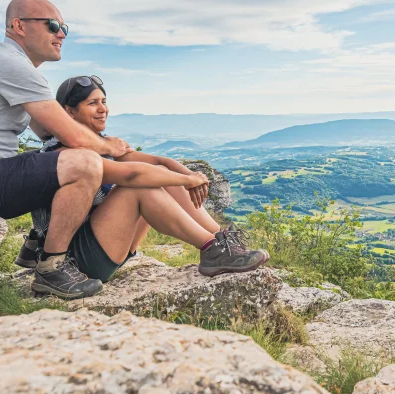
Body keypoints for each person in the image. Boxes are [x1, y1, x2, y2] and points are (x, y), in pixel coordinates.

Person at [23, 75, 268, 287]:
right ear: (69, 112)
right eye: (92, 103)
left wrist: (181, 171)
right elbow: (133, 175)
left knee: (164, 176)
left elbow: (153, 162)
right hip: (75, 260)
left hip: (105, 244)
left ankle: (222, 241)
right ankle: (210, 249)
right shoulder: (62, 154)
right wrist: (186, 178)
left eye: (104, 102)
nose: (102, 109)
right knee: (138, 189)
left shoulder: (101, 144)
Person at [0, 0, 132, 299]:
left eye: (64, 27)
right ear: (19, 26)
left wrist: (80, 125)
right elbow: (73, 139)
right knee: (84, 163)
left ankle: (36, 242)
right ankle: (52, 267)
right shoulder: (11, 64)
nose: (61, 34)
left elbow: (47, 132)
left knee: (52, 158)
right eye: (53, 25)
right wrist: (106, 144)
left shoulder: (13, 67)